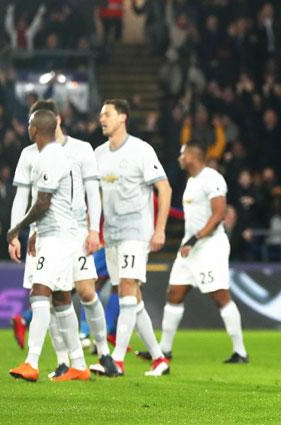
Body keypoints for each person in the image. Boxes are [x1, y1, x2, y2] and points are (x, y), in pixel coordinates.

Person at [135, 140, 249, 364]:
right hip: (190, 248)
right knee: (174, 294)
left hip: (210, 246)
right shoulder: (191, 182)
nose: (180, 157)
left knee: (220, 296)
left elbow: (219, 215)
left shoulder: (212, 178)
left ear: (192, 156)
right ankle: (164, 350)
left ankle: (241, 352)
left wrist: (195, 239)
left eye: (182, 153)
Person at [29, 100, 118, 377]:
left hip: (78, 232)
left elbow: (93, 191)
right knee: (57, 294)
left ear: (56, 120)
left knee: (86, 291)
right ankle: (64, 361)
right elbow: (38, 197)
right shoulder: (34, 154)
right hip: (49, 233)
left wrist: (93, 231)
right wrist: (33, 231)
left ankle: (104, 354)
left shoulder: (81, 149)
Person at [7, 110, 90, 382]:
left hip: (58, 237)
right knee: (61, 298)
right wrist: (36, 232)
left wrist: (17, 227)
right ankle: (78, 364)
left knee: (39, 290)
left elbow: (43, 202)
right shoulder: (59, 155)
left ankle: (31, 362)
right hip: (61, 234)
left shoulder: (50, 156)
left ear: (34, 130)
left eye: (29, 124)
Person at [93, 99, 172, 377]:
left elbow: (164, 189)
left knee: (126, 288)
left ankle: (116, 360)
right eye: (101, 114)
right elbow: (96, 196)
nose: (102, 118)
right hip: (112, 234)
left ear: (123, 117)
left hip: (136, 231)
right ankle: (159, 359)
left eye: (107, 114)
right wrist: (94, 229)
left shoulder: (141, 150)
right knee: (132, 299)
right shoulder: (99, 154)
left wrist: (160, 229)